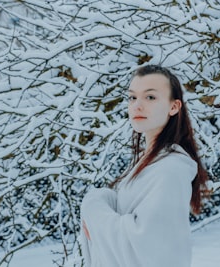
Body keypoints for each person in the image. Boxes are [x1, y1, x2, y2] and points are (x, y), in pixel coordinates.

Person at [80, 64, 209, 267]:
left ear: (174, 107)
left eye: (150, 97)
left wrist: (94, 210)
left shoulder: (170, 170)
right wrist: (102, 199)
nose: (137, 105)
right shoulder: (148, 162)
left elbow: (146, 247)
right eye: (132, 97)